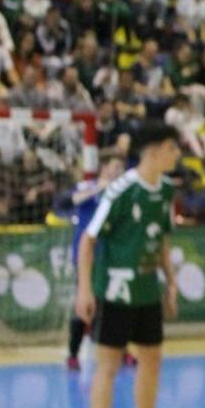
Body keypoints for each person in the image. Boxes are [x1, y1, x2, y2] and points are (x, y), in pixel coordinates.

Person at [73, 124, 184, 408]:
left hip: (147, 289)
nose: (177, 154)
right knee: (109, 366)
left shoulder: (166, 190)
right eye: (172, 147)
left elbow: (162, 240)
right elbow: (88, 240)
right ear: (153, 151)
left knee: (152, 360)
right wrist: (84, 290)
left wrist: (171, 282)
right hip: (115, 291)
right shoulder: (121, 190)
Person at [66, 154, 126, 370]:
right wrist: (98, 188)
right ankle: (73, 354)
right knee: (84, 304)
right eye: (115, 165)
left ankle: (122, 351)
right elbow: (68, 201)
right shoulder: (88, 186)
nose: (118, 171)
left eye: (121, 167)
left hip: (113, 257)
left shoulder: (122, 193)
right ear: (104, 168)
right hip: (88, 257)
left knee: (117, 305)